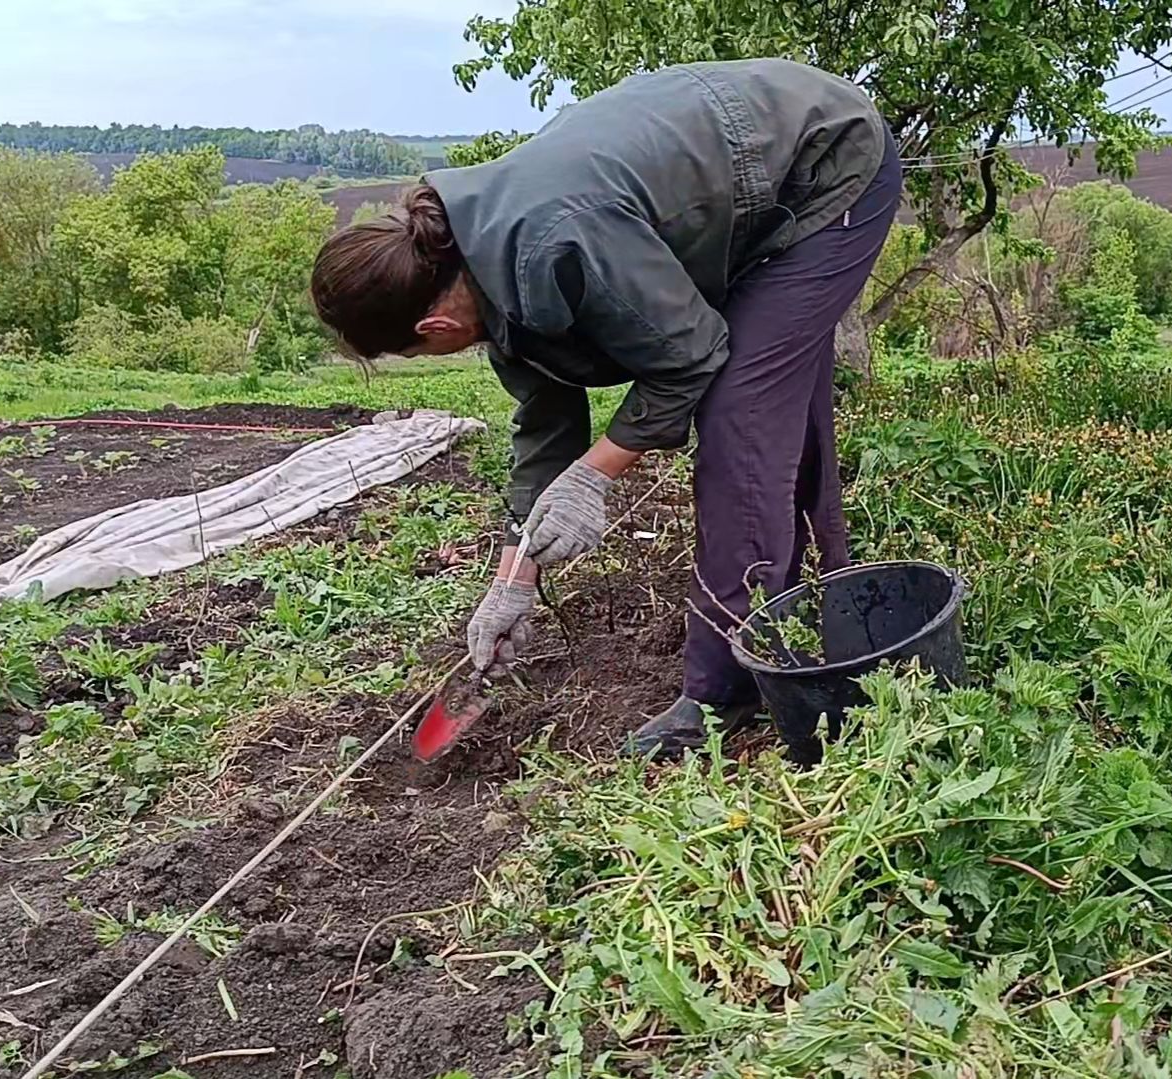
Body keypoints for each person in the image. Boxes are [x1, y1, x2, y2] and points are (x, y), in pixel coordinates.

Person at [309, 59, 900, 758]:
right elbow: (544, 424)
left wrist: (597, 476)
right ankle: (818, 589)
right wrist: (513, 580)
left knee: (739, 413)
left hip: (823, 168)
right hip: (739, 187)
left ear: (433, 330)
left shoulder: (553, 239)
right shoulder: (480, 267)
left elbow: (690, 356)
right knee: (762, 395)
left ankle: (726, 689)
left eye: (415, 354)